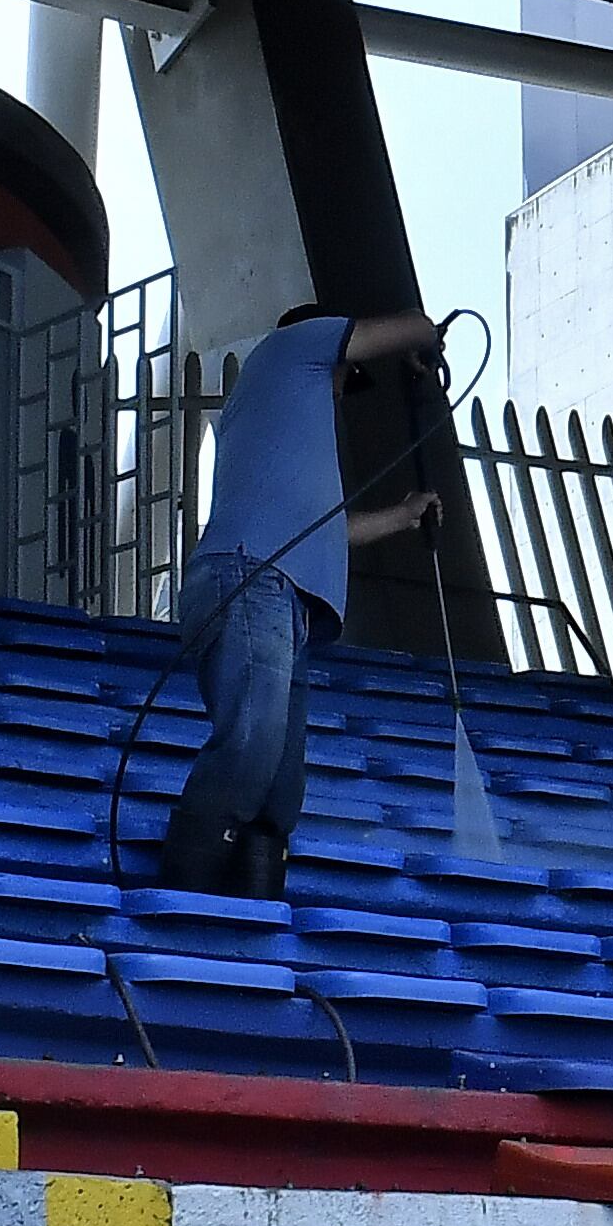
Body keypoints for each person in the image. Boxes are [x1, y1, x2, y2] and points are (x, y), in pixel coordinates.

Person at [164, 301, 446, 897]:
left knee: (279, 781)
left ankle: (246, 901)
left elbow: (328, 530)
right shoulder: (295, 347)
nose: (344, 390)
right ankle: (185, 891)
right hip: (252, 577)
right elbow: (410, 326)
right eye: (347, 375)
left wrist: (404, 515)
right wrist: (426, 343)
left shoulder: (275, 429)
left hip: (276, 592)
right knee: (252, 747)